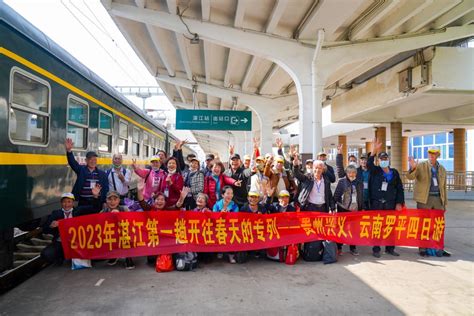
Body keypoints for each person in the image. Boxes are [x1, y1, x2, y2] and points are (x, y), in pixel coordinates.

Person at [406, 146, 450, 257]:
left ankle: (439, 247)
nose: (431, 155)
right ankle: (423, 248)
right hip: (424, 200)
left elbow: (444, 187)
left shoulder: (442, 169)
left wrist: (444, 203)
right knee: (423, 225)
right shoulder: (421, 166)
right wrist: (412, 167)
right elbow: (410, 177)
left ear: (437, 155)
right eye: (429, 153)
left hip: (438, 200)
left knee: (438, 225)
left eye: (433, 153)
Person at [368, 139, 404, 258]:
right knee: (377, 227)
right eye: (381, 159)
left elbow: (400, 188)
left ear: (388, 160)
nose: (383, 161)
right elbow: (369, 164)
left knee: (390, 227)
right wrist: (374, 151)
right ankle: (376, 249)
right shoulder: (375, 171)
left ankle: (390, 248)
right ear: (378, 161)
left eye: (385, 159)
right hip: (377, 204)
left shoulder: (394, 172)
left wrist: (399, 202)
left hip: (390, 204)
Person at [65, 138, 108, 215]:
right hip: (83, 201)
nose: (93, 161)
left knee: (95, 220)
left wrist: (104, 202)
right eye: (90, 159)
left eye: (95, 160)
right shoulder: (81, 170)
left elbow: (105, 189)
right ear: (86, 161)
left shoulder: (102, 174)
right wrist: (69, 151)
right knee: (82, 220)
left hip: (96, 201)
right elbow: (73, 163)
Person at [40, 193, 80, 265]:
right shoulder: (56, 213)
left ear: (73, 203)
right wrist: (51, 226)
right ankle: (61, 256)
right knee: (46, 254)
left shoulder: (79, 212)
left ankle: (71, 256)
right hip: (60, 242)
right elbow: (44, 230)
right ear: (61, 203)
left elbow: (94, 208)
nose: (66, 204)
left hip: (77, 242)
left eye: (69, 202)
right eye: (64, 202)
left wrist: (95, 197)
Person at [99, 190, 134, 269]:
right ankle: (113, 255)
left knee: (127, 233)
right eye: (110, 199)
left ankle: (128, 257)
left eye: (115, 199)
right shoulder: (103, 212)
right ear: (106, 201)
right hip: (111, 236)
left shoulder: (124, 209)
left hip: (124, 235)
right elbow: (98, 226)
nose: (112, 202)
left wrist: (120, 216)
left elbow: (132, 221)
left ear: (118, 200)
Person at [333, 165, 364, 256]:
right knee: (341, 229)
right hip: (343, 209)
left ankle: (353, 247)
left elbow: (361, 196)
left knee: (353, 230)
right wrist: (333, 207)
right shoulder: (342, 182)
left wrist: (362, 207)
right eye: (349, 172)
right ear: (346, 173)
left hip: (355, 210)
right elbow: (336, 195)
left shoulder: (359, 182)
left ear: (356, 173)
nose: (351, 174)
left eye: (353, 172)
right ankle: (339, 247)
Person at [213, 186, 239, 264]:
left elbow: (236, 218)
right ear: (222, 195)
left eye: (231, 194)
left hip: (230, 227)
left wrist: (229, 215)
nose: (230, 195)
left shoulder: (234, 205)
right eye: (227, 193)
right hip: (219, 227)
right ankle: (220, 251)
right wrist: (220, 214)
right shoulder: (217, 205)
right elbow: (213, 217)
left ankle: (231, 255)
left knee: (232, 235)